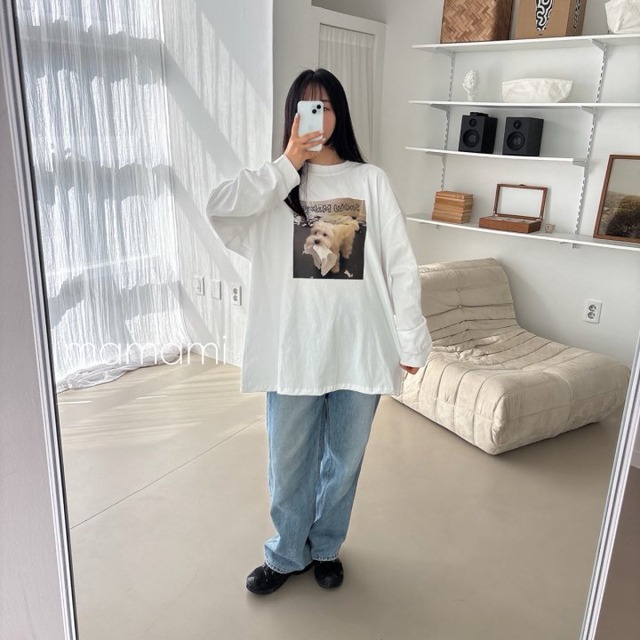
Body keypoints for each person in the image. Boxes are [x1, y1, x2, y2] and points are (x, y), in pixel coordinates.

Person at [206, 68, 431, 596]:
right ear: (291, 118)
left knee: (344, 462)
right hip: (294, 352)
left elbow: (400, 264)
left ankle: (326, 547)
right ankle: (286, 553)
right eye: (305, 108)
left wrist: (410, 337)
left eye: (325, 106)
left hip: (360, 347)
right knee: (288, 464)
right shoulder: (275, 186)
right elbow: (218, 207)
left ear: (339, 114)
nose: (317, 117)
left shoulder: (370, 180)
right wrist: (287, 163)